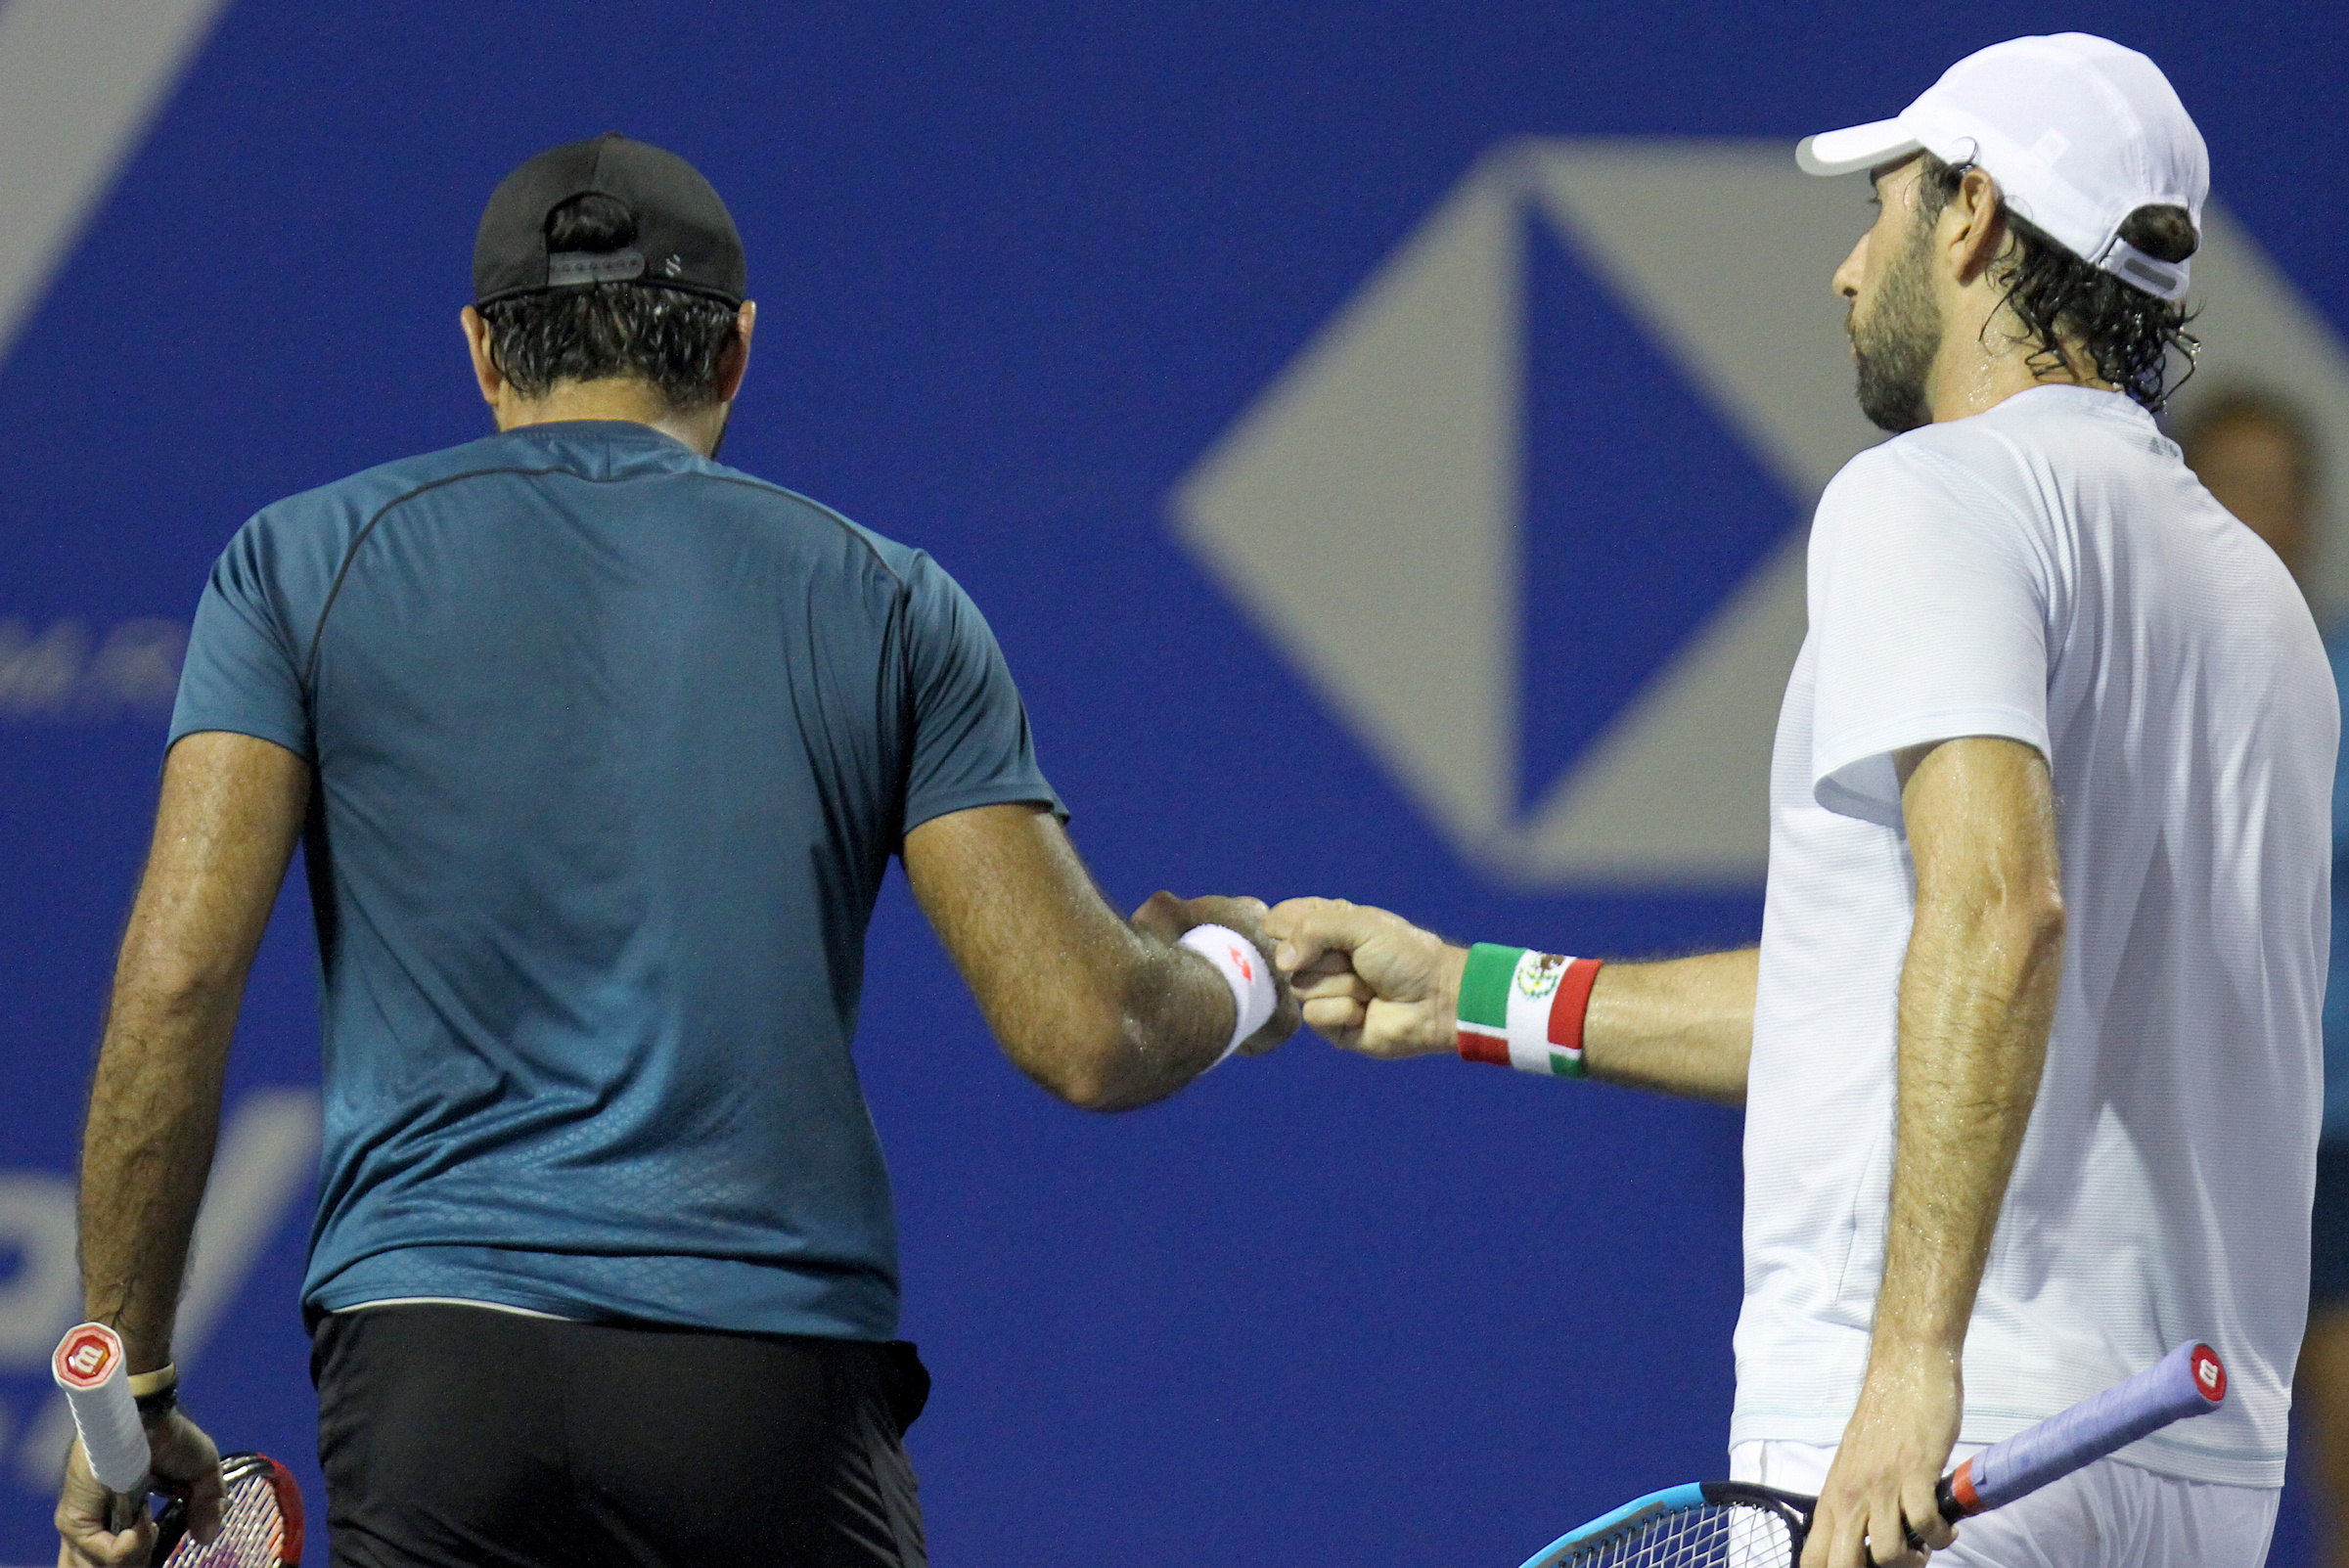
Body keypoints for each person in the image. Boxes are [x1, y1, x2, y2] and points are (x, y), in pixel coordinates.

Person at [54, 132, 1294, 1568]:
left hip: (435, 1380)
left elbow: (176, 985)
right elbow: (1093, 1028)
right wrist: (1234, 964)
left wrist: (126, 1390)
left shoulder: (296, 563)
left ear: (481, 351)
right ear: (737, 353)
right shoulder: (888, 600)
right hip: (762, 1391)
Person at [1267, 34, 2330, 1568]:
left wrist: (1908, 1369)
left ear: (1968, 218)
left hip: (1945, 1455)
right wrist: (1465, 993)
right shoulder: (2263, 607)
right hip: (2192, 1477)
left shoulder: (1930, 494)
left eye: (1883, 211)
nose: (1847, 270)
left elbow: (1993, 910)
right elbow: (1907, 992)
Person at [2179, 388, 2348, 1567]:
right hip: (2168, 1137)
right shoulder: (2122, 679)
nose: (2259, 516)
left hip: (2328, 1142)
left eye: (2280, 494)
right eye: (2231, 488)